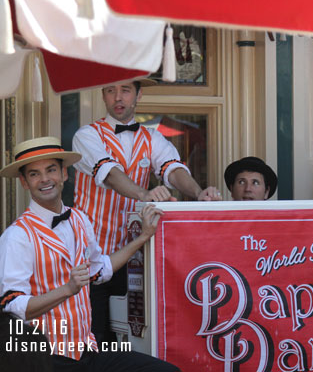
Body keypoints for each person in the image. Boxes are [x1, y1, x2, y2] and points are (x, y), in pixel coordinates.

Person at [0, 136, 178, 371]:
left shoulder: (79, 219)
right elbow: (12, 306)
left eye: (51, 170)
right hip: (45, 359)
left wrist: (143, 237)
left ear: (64, 174)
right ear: (24, 182)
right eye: (34, 174)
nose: (44, 179)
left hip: (88, 350)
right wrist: (67, 290)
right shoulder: (17, 236)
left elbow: (99, 270)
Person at [72, 79, 221, 344]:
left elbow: (173, 170)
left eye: (125, 90)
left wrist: (198, 194)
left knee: (135, 339)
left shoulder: (152, 138)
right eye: (110, 90)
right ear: (103, 96)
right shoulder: (86, 136)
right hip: (90, 256)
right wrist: (144, 194)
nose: (118, 97)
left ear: (138, 95)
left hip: (135, 259)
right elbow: (110, 174)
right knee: (94, 340)